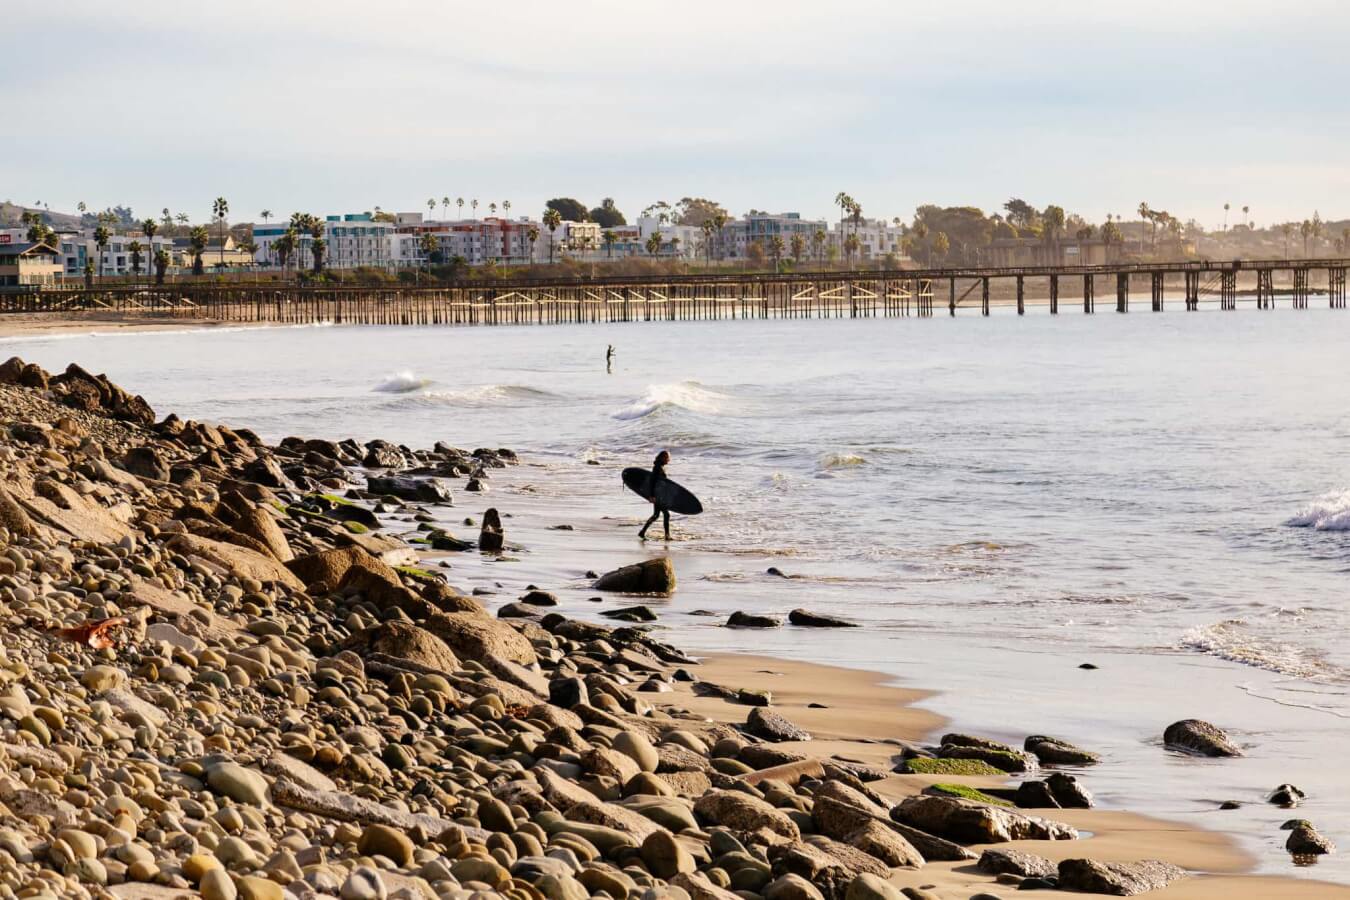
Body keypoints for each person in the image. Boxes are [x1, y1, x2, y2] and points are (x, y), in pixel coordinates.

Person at [639, 450, 672, 541]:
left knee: (656, 515)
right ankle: (667, 535)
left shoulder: (659, 467)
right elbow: (652, 482)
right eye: (667, 458)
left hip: (658, 494)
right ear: (663, 458)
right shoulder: (657, 468)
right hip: (658, 495)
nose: (668, 460)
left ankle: (642, 531)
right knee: (666, 514)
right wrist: (652, 496)